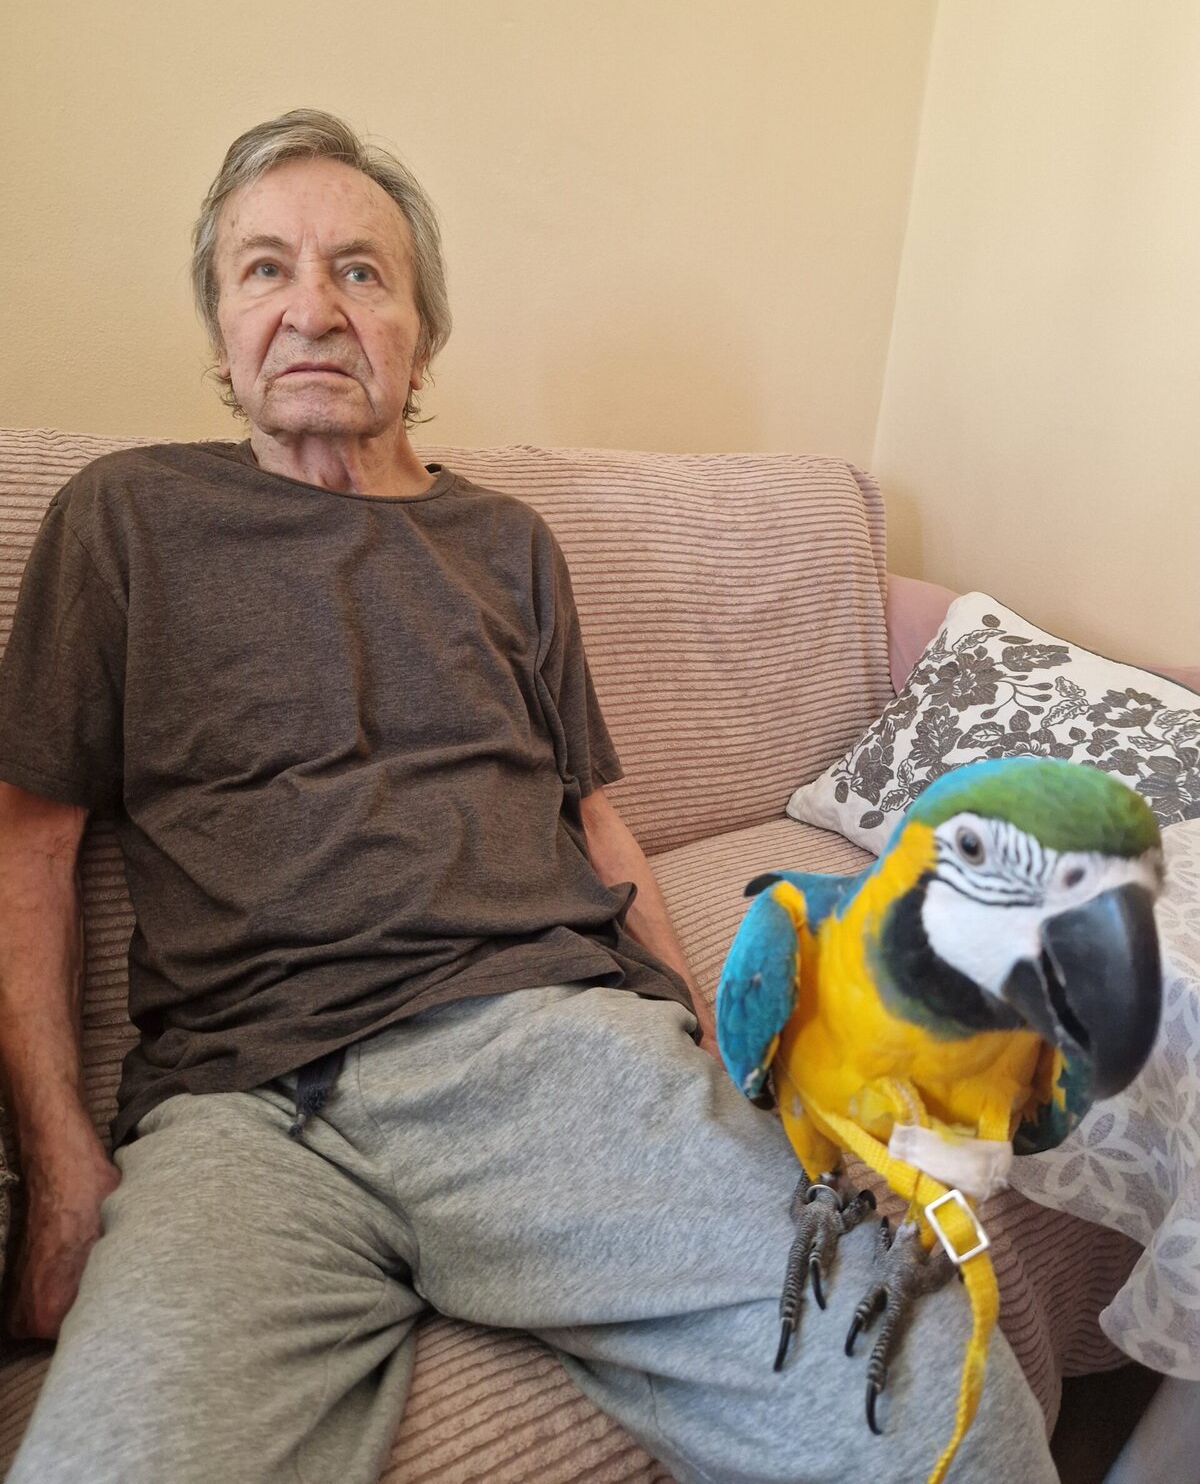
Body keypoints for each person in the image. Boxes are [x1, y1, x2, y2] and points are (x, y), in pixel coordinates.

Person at [0, 110, 1057, 1484]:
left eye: (361, 272)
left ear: (423, 333)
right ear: (218, 330)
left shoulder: (506, 542)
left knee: (939, 1407)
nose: (311, 309)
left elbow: (593, 818)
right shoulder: (124, 518)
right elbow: (30, 845)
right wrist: (59, 1167)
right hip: (237, 1113)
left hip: (541, 1051)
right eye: (264, 270)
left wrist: (709, 1055)